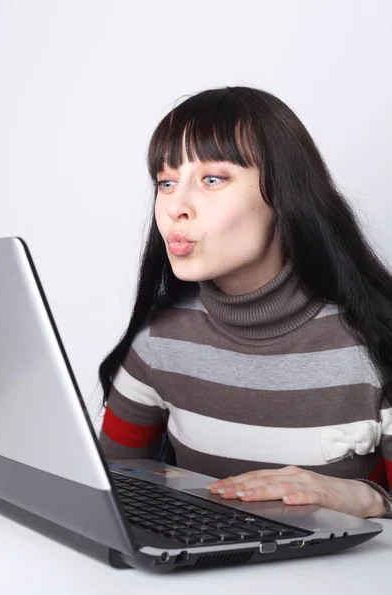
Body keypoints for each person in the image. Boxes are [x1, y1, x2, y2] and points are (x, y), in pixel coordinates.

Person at [98, 86, 392, 519]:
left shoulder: (375, 341)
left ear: (283, 193)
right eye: (166, 181)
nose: (176, 206)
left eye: (213, 179)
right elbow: (110, 489)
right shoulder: (158, 341)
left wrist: (368, 498)